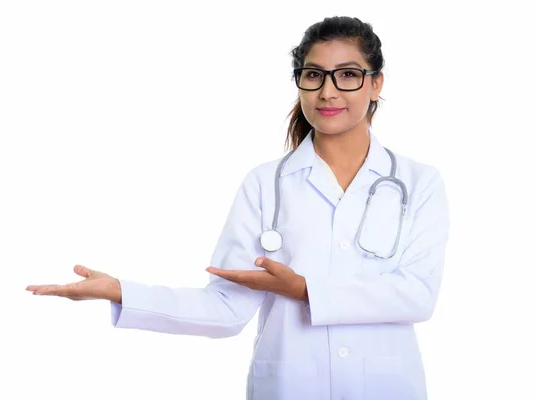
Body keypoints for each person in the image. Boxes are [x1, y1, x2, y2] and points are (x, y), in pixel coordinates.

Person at [26, 15, 449, 400]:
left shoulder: (418, 183)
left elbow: (416, 296)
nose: (328, 91)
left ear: (377, 84)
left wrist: (302, 290)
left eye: (349, 76)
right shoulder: (266, 184)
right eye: (314, 75)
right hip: (291, 388)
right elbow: (225, 309)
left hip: (386, 388)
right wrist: (122, 292)